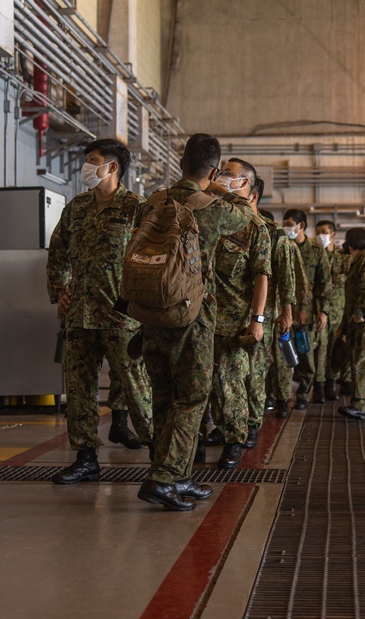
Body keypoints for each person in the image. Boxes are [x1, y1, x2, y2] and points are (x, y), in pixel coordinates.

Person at [137, 134, 253, 511]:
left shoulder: (155, 200)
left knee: (165, 396)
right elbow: (246, 213)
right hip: (191, 316)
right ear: (214, 170)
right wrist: (221, 186)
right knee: (193, 397)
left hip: (151, 311)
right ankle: (164, 478)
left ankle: (178, 475)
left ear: (180, 162)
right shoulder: (211, 207)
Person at [46, 139, 153, 484]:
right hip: (79, 315)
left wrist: (146, 304)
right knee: (78, 389)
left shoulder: (137, 207)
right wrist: (60, 292)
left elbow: (155, 259)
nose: (86, 167)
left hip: (122, 316)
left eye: (92, 161)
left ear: (112, 167)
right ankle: (85, 457)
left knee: (137, 388)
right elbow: (57, 253)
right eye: (86, 160)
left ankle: (163, 457)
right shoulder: (76, 207)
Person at [204, 158, 270, 469]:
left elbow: (261, 276)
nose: (222, 178)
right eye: (221, 173)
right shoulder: (208, 214)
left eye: (229, 175)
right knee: (202, 384)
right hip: (198, 318)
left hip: (233, 319)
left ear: (246, 186)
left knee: (228, 382)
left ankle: (234, 439)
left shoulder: (253, 226)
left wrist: (257, 320)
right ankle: (214, 431)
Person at [244, 183, 294, 443]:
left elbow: (286, 275)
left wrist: (287, 311)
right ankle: (229, 424)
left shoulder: (274, 233)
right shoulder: (226, 223)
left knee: (256, 369)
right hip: (228, 313)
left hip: (265, 314)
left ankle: (252, 422)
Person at [282, 209, 333, 409]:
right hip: (284, 310)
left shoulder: (316, 250)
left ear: (301, 225)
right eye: (284, 223)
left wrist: (324, 311)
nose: (286, 227)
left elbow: (325, 284)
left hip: (307, 313)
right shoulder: (284, 246)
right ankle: (281, 396)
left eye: (289, 223)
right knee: (283, 355)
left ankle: (303, 394)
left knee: (306, 356)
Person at [260, 209, 304, 419]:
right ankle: (267, 396)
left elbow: (296, 278)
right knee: (263, 358)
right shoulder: (255, 243)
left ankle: (283, 398)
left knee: (282, 358)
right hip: (262, 311)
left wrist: (294, 310)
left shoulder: (286, 245)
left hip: (280, 310)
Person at [337, 228, 365, 420]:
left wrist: (359, 312)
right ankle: (364, 405)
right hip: (357, 321)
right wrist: (344, 325)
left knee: (363, 362)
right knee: (357, 361)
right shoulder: (357, 261)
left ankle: (362, 405)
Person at [313, 220, 348, 402]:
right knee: (320, 349)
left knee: (334, 349)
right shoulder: (314, 255)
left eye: (324, 232)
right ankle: (318, 387)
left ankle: (330, 385)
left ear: (333, 234)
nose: (320, 235)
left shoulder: (342, 257)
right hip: (317, 311)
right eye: (317, 231)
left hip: (337, 312)